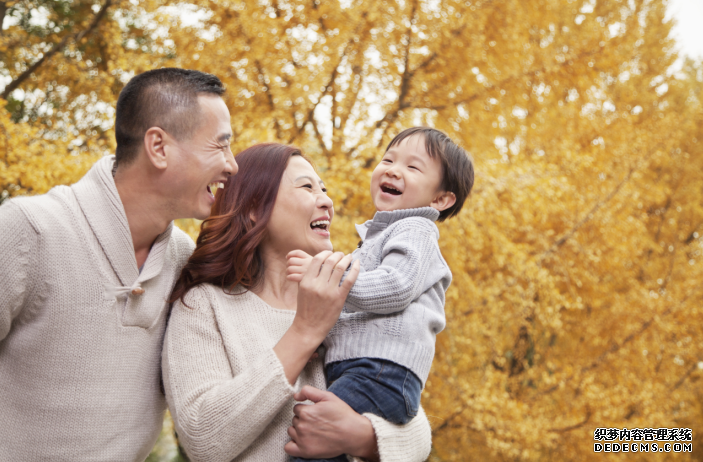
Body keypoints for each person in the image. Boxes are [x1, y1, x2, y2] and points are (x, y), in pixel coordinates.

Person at [0, 68, 238, 460]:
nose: (232, 165)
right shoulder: (32, 229)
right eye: (220, 145)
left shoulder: (183, 257)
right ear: (159, 147)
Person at [164, 144, 433, 462]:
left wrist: (361, 437)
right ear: (253, 207)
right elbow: (202, 438)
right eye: (307, 187)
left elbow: (408, 410)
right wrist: (305, 332)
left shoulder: (347, 299)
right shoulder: (204, 305)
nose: (327, 201)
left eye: (325, 189)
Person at [287, 127, 474, 462]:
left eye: (413, 168)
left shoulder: (416, 230)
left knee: (309, 444)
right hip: (366, 371)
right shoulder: (378, 238)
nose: (392, 169)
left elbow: (395, 287)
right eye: (388, 159)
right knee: (319, 446)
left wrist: (328, 278)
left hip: (381, 372)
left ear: (440, 199)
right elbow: (351, 316)